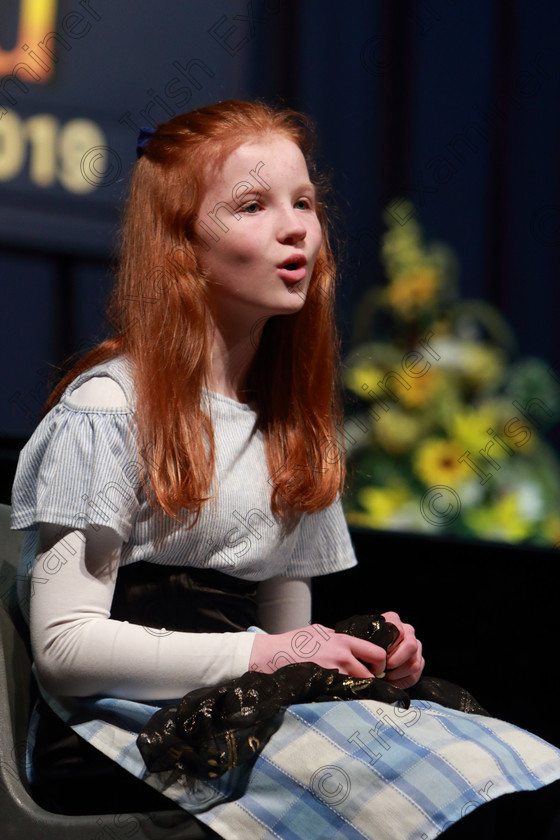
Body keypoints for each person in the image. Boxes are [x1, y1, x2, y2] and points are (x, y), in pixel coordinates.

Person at [10, 100, 560, 839]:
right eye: (253, 205)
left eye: (303, 202)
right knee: (414, 790)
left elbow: (284, 644)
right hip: (118, 729)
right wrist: (273, 654)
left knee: (508, 771)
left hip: (244, 714)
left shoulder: (290, 425)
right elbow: (65, 650)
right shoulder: (110, 409)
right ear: (183, 244)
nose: (296, 226)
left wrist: (351, 658)